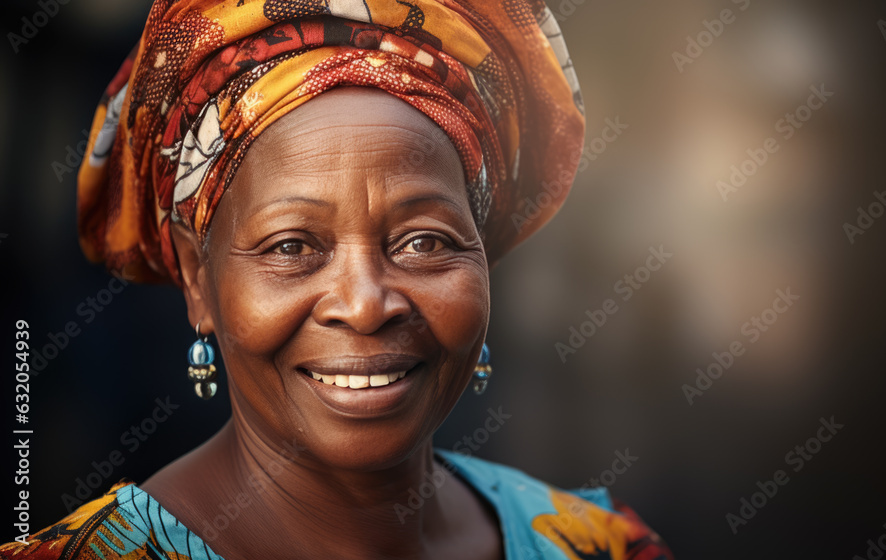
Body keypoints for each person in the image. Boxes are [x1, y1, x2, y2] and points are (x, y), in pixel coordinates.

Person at [2, 1, 672, 559]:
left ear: (484, 261)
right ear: (197, 279)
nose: (364, 304)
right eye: (292, 246)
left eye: (425, 242)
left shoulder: (603, 547)